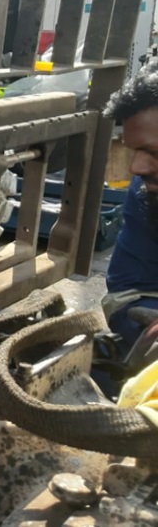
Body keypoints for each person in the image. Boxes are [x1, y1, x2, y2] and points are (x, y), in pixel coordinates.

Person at [103, 59, 158, 362]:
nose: (136, 168)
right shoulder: (147, 194)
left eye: (152, 152)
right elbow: (128, 292)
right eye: (134, 151)